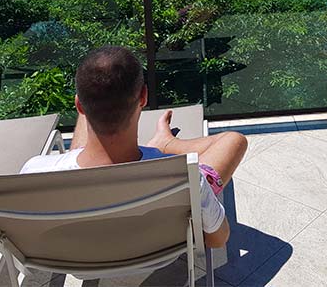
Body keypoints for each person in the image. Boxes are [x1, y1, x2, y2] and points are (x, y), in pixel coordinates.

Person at [20, 46, 247, 248]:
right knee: (234, 140)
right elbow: (217, 239)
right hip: (155, 253)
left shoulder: (34, 174)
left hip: (76, 255)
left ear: (79, 105)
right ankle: (168, 143)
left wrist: (97, 98)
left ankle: (159, 141)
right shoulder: (184, 175)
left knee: (81, 145)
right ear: (144, 97)